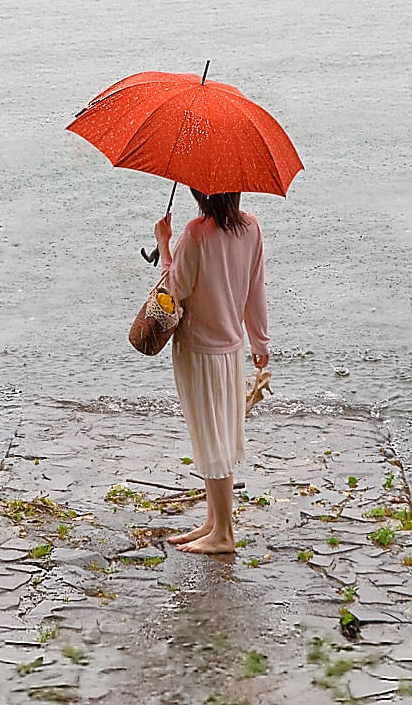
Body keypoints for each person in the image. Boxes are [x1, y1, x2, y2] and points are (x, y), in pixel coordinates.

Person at [154, 187, 270, 556]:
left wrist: (164, 246)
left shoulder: (196, 234)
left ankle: (224, 534)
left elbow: (174, 290)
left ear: (197, 191)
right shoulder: (251, 229)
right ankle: (213, 522)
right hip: (231, 349)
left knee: (210, 437)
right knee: (219, 434)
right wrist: (259, 343)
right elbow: (256, 290)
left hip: (198, 349)